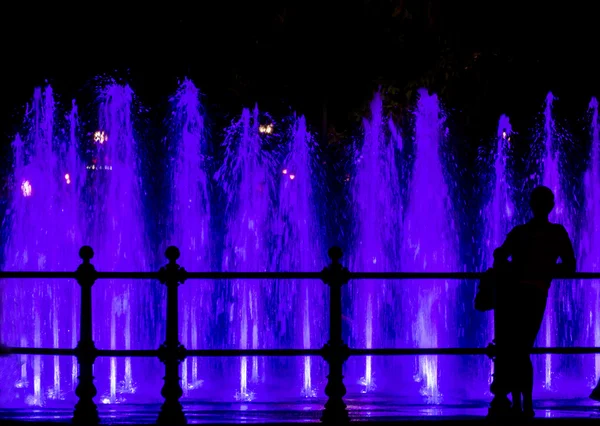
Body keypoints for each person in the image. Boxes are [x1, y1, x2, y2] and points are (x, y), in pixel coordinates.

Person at [488, 185, 575, 418]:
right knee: (521, 349)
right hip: (535, 293)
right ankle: (525, 404)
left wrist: (517, 267)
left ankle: (518, 402)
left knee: (515, 349)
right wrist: (544, 270)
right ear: (551, 206)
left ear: (532, 205)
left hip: (513, 295)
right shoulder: (557, 233)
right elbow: (570, 266)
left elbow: (499, 255)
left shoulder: (520, 232)